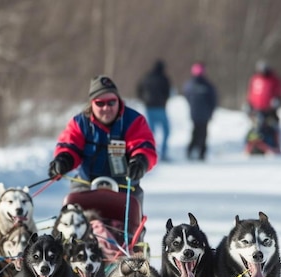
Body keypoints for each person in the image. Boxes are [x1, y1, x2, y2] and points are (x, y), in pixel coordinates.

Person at [48, 74, 157, 209]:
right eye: (100, 103)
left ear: (118, 101)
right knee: (70, 219)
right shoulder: (80, 123)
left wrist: (140, 162)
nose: (106, 108)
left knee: (130, 219)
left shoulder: (134, 120)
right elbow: (70, 146)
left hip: (125, 187)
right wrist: (63, 160)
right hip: (86, 185)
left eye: (111, 102)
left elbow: (144, 146)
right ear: (91, 104)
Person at [137, 59, 172, 161]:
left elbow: (139, 89)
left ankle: (151, 151)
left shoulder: (146, 77)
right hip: (160, 108)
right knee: (166, 131)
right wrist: (164, 101)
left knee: (151, 132)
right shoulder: (164, 78)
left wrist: (143, 100)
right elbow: (168, 92)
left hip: (149, 107)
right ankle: (163, 152)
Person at [182, 62, 218, 161]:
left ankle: (195, 151)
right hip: (201, 113)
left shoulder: (192, 84)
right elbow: (213, 100)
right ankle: (198, 152)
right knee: (201, 133)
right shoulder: (205, 85)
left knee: (197, 132)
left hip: (199, 113)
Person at [246, 60, 281, 128]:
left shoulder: (273, 79)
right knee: (256, 125)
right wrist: (249, 103)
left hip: (269, 109)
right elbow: (250, 92)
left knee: (271, 124)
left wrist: (277, 100)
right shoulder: (255, 79)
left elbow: (279, 91)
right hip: (256, 109)